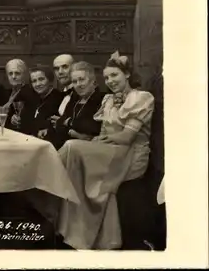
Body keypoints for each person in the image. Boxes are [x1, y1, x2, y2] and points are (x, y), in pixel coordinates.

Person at [57, 51, 155, 250]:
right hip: (110, 151)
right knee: (73, 150)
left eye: (115, 75)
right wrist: (95, 140)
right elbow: (103, 132)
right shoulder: (108, 100)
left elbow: (127, 138)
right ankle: (76, 228)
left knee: (71, 147)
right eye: (107, 77)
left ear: (126, 74)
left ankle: (50, 180)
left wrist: (98, 140)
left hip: (130, 155)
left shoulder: (142, 98)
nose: (110, 81)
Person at [45, 61, 105, 149]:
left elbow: (93, 127)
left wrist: (68, 122)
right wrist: (74, 132)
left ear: (93, 80)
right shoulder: (74, 100)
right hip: (67, 145)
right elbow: (59, 124)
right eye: (74, 81)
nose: (78, 84)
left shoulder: (101, 99)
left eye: (81, 79)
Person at [16, 64, 64, 138]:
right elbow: (23, 122)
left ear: (49, 80)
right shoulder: (31, 98)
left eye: (41, 79)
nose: (38, 84)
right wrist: (15, 120)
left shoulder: (59, 98)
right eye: (34, 81)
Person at [4, 59, 37, 130]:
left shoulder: (30, 92)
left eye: (17, 73)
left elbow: (30, 118)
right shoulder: (7, 92)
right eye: (10, 73)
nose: (13, 76)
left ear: (24, 75)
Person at [51, 54, 79, 128]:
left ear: (75, 68)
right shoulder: (60, 94)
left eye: (65, 67)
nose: (60, 72)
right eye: (56, 69)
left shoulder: (82, 93)